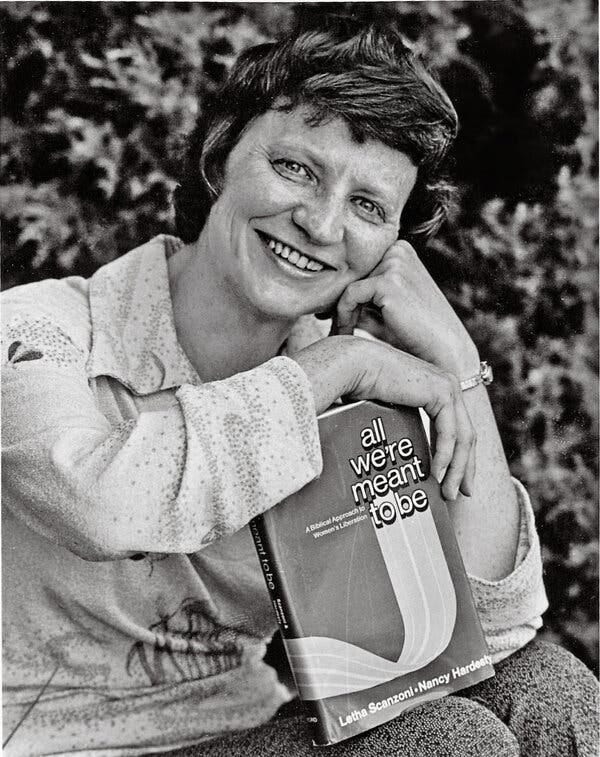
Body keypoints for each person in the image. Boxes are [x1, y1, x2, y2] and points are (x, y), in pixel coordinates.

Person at [2, 18, 597, 757]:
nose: (320, 222)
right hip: (54, 743)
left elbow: (486, 633)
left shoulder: (355, 396)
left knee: (547, 687)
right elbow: (103, 501)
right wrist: (329, 368)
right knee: (451, 741)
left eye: (367, 207)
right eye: (296, 168)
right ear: (221, 157)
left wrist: (456, 359)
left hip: (245, 727)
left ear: (390, 246)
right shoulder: (37, 331)